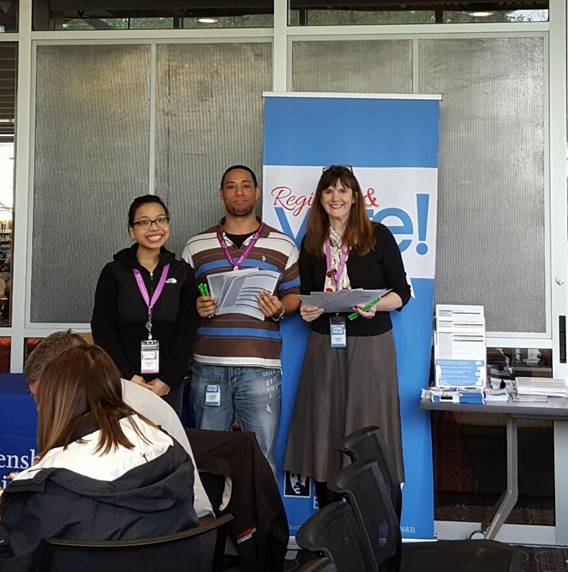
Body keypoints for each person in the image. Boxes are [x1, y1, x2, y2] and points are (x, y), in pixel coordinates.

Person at [283, 165, 411, 507]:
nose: (335, 197)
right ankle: (332, 522)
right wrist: (307, 310)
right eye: (328, 191)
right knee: (326, 429)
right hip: (324, 345)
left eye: (343, 190)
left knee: (371, 429)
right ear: (320, 198)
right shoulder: (312, 243)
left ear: (355, 197)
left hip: (371, 345)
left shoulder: (378, 236)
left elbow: (402, 293)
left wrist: (375, 305)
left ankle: (382, 522)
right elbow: (308, 296)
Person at [0, 345, 199, 559]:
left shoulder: (54, 488)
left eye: (39, 399)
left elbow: (19, 556)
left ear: (57, 403)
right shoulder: (167, 447)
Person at [182, 165, 300, 473]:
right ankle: (215, 509)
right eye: (231, 186)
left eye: (246, 185)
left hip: (260, 368)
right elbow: (180, 301)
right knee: (209, 459)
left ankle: (260, 510)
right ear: (221, 194)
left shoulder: (283, 244)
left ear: (257, 192)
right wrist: (196, 306)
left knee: (261, 458)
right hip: (208, 366)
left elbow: (295, 296)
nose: (239, 192)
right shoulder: (196, 245)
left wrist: (279, 308)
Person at [23, 330, 213, 518]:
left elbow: (95, 492)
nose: (40, 408)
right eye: (34, 397)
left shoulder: (123, 408)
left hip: (171, 521)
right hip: (156, 517)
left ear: (71, 382)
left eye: (47, 396)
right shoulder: (106, 397)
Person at [91, 194, 197, 415]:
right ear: (132, 230)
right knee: (125, 435)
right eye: (144, 222)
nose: (154, 227)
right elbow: (103, 330)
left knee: (166, 435)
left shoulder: (182, 272)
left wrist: (167, 380)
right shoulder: (114, 272)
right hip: (123, 382)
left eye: (161, 220)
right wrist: (128, 376)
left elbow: (186, 332)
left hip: (168, 385)